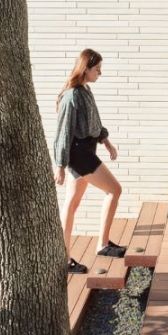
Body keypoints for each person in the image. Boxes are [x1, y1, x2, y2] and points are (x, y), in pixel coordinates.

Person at [53, 49, 126, 273]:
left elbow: (95, 122)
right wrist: (61, 166)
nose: (100, 73)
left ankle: (64, 260)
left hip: (87, 150)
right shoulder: (71, 96)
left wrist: (107, 142)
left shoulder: (85, 90)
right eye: (97, 69)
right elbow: (63, 132)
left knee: (71, 205)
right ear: (86, 68)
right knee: (114, 190)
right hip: (79, 154)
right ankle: (102, 245)